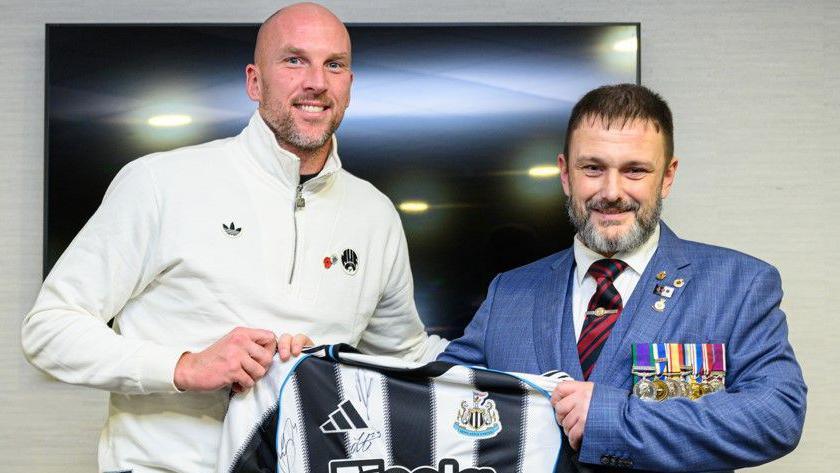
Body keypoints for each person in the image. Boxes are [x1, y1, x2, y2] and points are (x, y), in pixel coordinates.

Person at [21, 3, 446, 472]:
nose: (317, 82)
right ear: (254, 81)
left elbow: (408, 356)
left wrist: (533, 374)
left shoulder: (375, 213)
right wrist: (185, 366)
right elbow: (49, 330)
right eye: (294, 60)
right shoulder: (160, 182)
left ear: (349, 84)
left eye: (334, 64)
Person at [438, 84, 806, 471]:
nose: (611, 192)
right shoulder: (510, 292)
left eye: (634, 170)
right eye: (592, 168)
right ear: (566, 174)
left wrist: (613, 420)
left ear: (667, 176)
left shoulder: (738, 285)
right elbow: (433, 395)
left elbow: (776, 416)